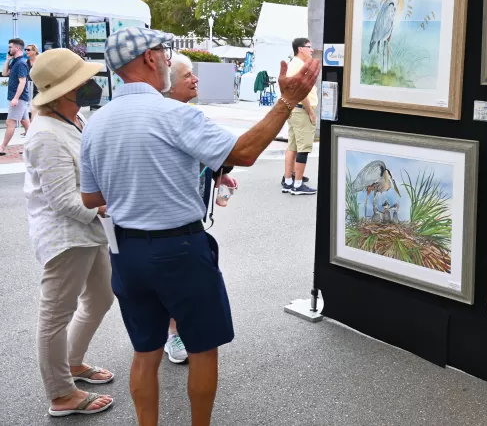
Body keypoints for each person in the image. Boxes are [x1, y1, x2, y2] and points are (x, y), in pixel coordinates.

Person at [79, 27, 319, 426]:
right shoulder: (175, 113)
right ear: (150, 59)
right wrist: (286, 101)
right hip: (179, 248)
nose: (167, 59)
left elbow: (91, 198)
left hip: (126, 253)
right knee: (203, 348)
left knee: (145, 351)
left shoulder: (97, 123)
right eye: (163, 51)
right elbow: (241, 153)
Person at [23, 48, 115, 417]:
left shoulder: (69, 122)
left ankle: (74, 363)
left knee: (101, 298)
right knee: (55, 315)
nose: (91, 85)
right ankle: (61, 394)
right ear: (62, 92)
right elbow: (63, 200)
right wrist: (110, 209)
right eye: (82, 82)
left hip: (88, 233)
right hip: (66, 237)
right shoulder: (46, 134)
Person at [160, 52, 238, 365]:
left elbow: (205, 156)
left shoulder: (185, 114)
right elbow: (236, 151)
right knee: (175, 281)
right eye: (188, 75)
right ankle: (174, 333)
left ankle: (176, 331)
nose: (195, 80)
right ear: (168, 84)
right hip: (170, 226)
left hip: (189, 219)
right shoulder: (170, 116)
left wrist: (221, 173)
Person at [281, 37, 318, 195]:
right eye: (309, 47)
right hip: (301, 109)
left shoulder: (294, 64)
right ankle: (297, 184)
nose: (311, 50)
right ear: (300, 49)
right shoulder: (298, 66)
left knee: (293, 147)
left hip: (293, 109)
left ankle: (288, 181)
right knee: (303, 148)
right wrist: (310, 111)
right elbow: (301, 91)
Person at [1, 38, 31, 155]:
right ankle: (31, 147)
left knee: (10, 122)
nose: (9, 49)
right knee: (25, 123)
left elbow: (22, 81)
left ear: (17, 48)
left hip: (19, 99)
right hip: (18, 98)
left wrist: (16, 98)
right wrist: (8, 60)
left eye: (10, 47)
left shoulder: (21, 63)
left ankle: (2, 147)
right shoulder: (15, 61)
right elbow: (4, 73)